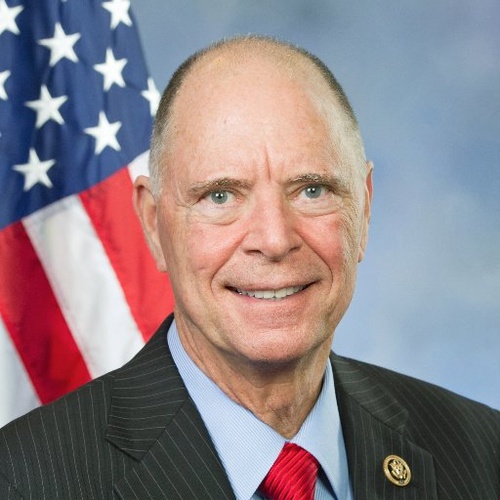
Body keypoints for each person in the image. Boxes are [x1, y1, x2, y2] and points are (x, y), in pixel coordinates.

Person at [0, 35, 498, 500]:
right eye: (220, 196)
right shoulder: (25, 479)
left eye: (312, 190)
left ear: (363, 209)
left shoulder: (482, 452)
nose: (274, 240)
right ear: (153, 224)